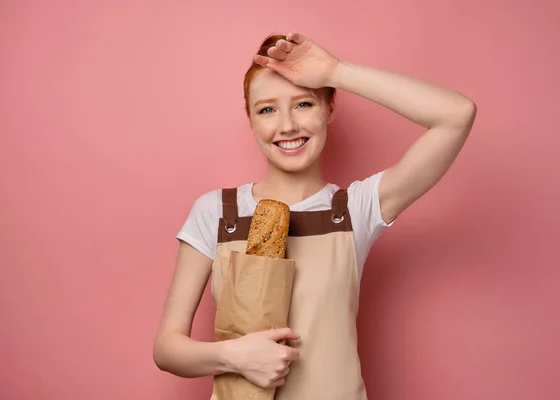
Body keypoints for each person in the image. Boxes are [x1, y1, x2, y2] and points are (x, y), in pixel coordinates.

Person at [153, 31, 477, 399]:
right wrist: (234, 357)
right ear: (251, 120)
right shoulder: (216, 211)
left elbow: (456, 115)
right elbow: (167, 349)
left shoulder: (356, 209)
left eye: (304, 104)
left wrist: (336, 72)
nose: (287, 125)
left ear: (329, 110)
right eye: (267, 109)